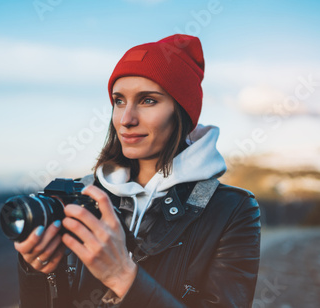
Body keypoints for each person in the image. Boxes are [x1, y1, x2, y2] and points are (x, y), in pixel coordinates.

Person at [13, 34, 261, 307]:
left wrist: (122, 276)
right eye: (119, 101)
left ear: (182, 112)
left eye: (148, 101)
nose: (126, 119)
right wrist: (39, 271)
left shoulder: (231, 210)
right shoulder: (82, 195)